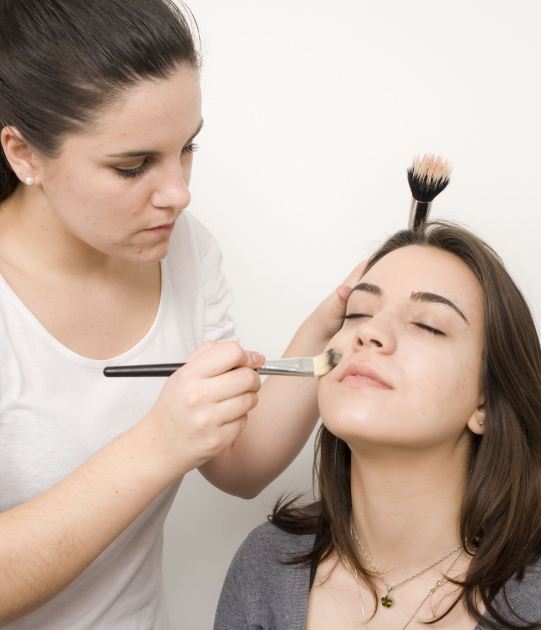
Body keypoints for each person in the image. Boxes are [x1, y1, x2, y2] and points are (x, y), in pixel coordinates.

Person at [0, 1, 357, 628]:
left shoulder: (184, 249)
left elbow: (238, 466)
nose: (178, 193)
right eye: (133, 166)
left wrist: (322, 334)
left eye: (186, 148)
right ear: (24, 154)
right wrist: (156, 446)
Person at [215, 222, 541, 629]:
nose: (369, 332)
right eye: (356, 313)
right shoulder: (266, 567)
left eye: (428, 324)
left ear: (485, 402)